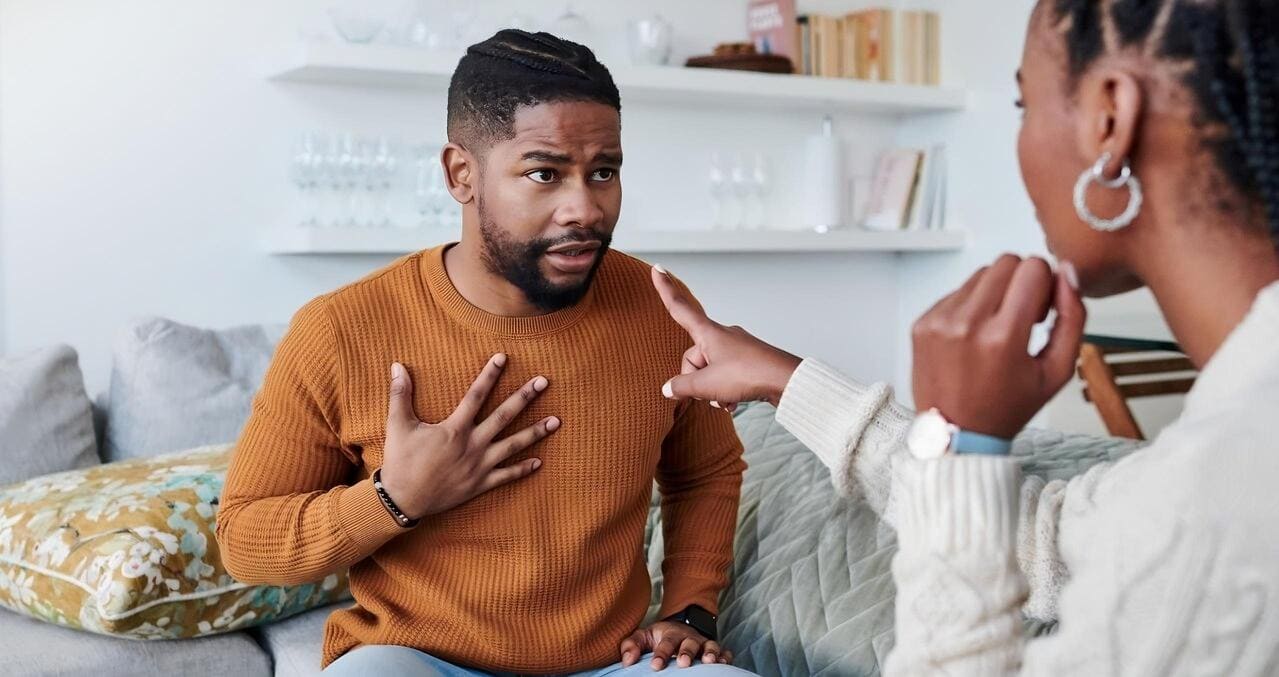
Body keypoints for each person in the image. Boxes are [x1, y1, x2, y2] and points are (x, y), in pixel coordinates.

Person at [649, 0, 1279, 673]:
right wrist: (788, 379)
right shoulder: (1226, 439)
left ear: (1108, 119)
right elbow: (1051, 540)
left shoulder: (1239, 473)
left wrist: (956, 443)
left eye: (1021, 104)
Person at [216, 30, 754, 675]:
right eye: (543, 173)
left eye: (603, 171)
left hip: (611, 664)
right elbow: (246, 540)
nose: (584, 207)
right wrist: (395, 497)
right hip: (417, 661)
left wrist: (691, 608)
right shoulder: (341, 328)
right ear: (461, 174)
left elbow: (705, 471)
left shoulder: (656, 306)